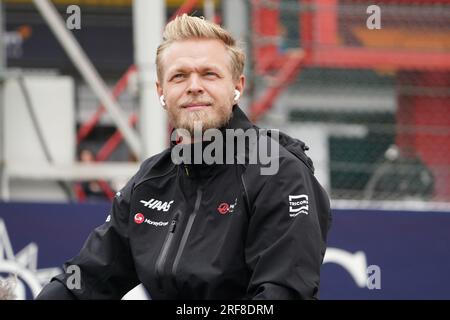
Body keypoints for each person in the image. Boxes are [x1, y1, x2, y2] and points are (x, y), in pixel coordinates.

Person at [36, 14, 331, 300]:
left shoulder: (277, 172)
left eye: (209, 74)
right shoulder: (150, 180)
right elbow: (85, 280)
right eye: (179, 76)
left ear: (237, 87)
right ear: (161, 92)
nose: (193, 86)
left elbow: (281, 293)